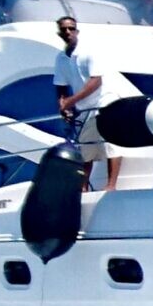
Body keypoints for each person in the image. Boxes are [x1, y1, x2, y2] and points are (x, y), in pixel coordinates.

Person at [54, 16, 121, 191]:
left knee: (111, 144)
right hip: (84, 108)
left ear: (77, 31)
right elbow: (60, 87)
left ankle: (111, 185)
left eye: (71, 28)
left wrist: (70, 101)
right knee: (86, 150)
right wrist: (63, 105)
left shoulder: (88, 52)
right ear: (59, 33)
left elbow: (96, 81)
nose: (68, 32)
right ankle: (82, 188)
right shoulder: (61, 58)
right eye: (64, 29)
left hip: (103, 102)